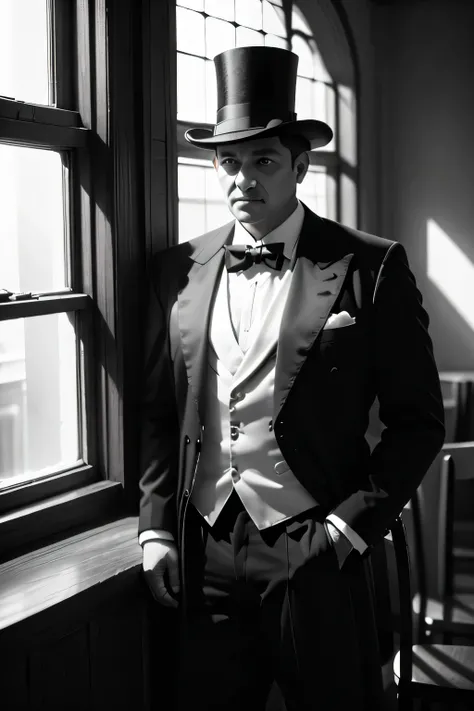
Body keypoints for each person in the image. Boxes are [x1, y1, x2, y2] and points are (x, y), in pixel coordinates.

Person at [138, 46, 445, 711]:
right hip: (206, 550)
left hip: (316, 547)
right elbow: (163, 412)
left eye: (263, 162)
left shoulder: (371, 266)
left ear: (301, 166)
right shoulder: (177, 269)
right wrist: (156, 527)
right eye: (228, 162)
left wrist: (346, 529)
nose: (242, 180)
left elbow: (419, 421)